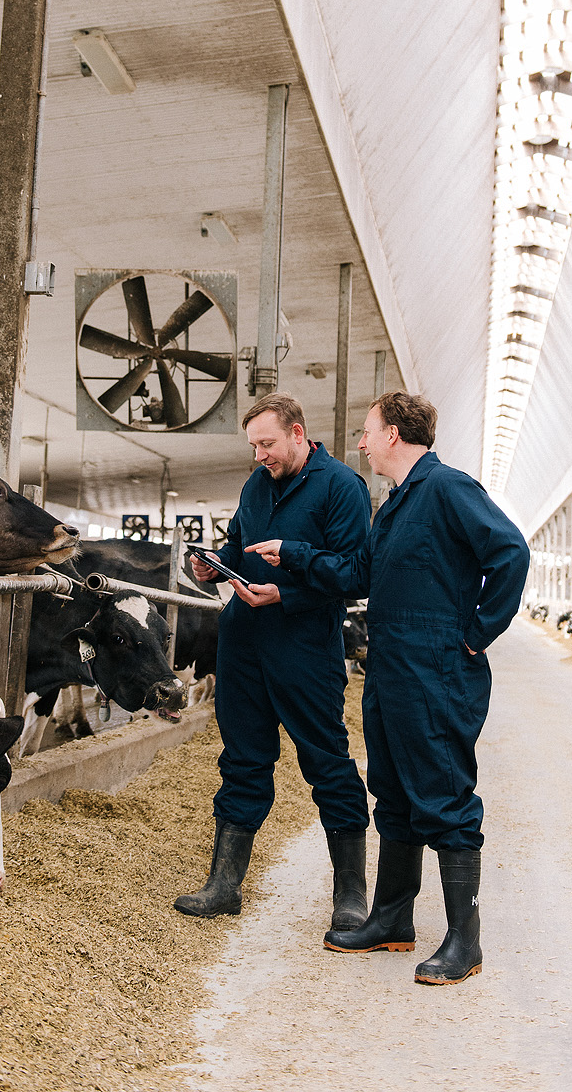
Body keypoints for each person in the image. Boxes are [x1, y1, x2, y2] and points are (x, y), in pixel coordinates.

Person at [246, 391, 529, 985]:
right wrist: (293, 555)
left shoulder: (449, 488)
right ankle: (393, 919)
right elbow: (358, 574)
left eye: (368, 431)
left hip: (437, 667)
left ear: (395, 434)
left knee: (444, 794)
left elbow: (510, 552)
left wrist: (476, 633)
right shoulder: (396, 505)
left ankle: (463, 942)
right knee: (394, 792)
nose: (362, 442)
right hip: (391, 665)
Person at [173, 392, 372, 928]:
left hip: (305, 648)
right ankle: (223, 885)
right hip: (242, 647)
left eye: (267, 443)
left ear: (298, 434)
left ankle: (351, 893)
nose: (260, 455)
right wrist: (215, 567)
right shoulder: (255, 486)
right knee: (242, 761)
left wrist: (289, 589)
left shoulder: (343, 488)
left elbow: (357, 573)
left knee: (327, 763)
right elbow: (238, 548)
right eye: (253, 445)